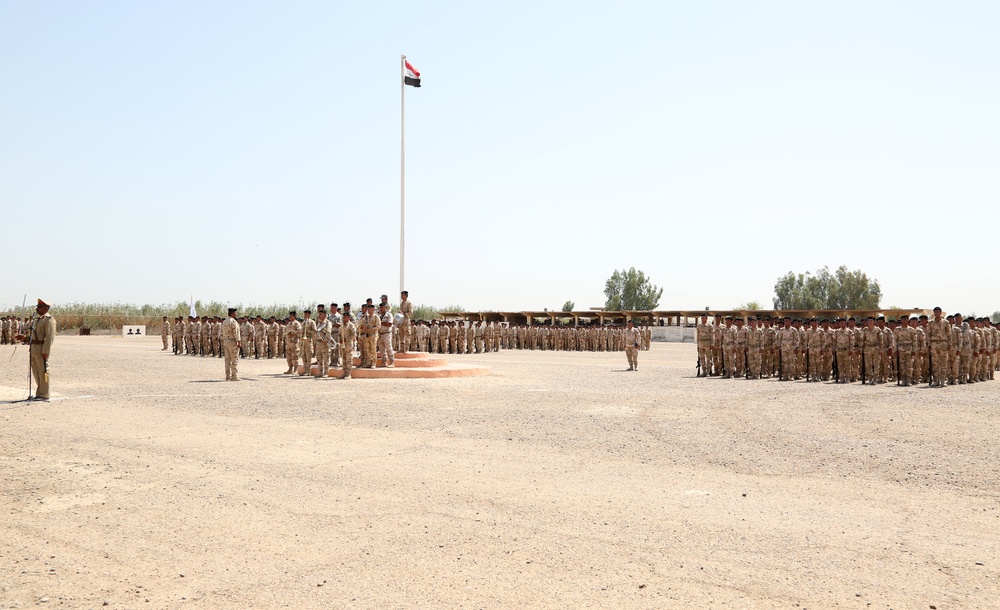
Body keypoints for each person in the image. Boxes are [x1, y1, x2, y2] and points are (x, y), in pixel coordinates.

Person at [15, 299, 56, 401]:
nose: (37, 308)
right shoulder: (37, 320)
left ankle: (45, 394)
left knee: (44, 371)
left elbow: (50, 337)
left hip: (41, 349)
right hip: (33, 348)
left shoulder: (49, 320)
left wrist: (46, 351)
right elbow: (34, 336)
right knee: (36, 372)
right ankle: (39, 393)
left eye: (39, 307)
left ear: (46, 308)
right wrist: (24, 338)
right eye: (37, 306)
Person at [222, 307, 241, 381]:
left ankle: (227, 376)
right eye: (236, 313)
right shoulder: (233, 321)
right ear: (233, 313)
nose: (236, 314)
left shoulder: (225, 321)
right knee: (234, 358)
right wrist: (238, 341)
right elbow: (236, 332)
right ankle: (234, 376)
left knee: (227, 359)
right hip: (232, 342)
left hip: (226, 341)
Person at [340, 313, 357, 379]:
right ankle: (344, 373)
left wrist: (347, 339)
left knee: (348, 359)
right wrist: (340, 340)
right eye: (343, 317)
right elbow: (339, 333)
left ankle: (348, 374)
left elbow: (354, 335)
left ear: (348, 318)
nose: (344, 318)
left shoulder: (351, 325)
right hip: (343, 345)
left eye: (346, 317)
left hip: (349, 344)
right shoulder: (342, 326)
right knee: (344, 359)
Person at [378, 303, 395, 367]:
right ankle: (384, 362)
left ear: (385, 308)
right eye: (380, 308)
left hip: (386, 333)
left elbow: (389, 324)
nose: (381, 309)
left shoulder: (389, 315)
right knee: (382, 349)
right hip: (380, 334)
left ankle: (392, 361)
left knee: (388, 348)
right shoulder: (379, 316)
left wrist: (381, 322)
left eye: (382, 308)